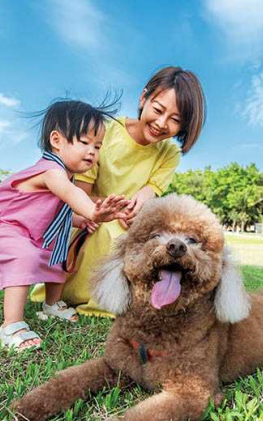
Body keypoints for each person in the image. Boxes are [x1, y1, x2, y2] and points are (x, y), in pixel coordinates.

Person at [31, 66, 206, 317]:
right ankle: (94, 298)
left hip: (129, 223)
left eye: (175, 120)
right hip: (88, 219)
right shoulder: (104, 131)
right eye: (158, 110)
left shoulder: (168, 154)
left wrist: (139, 207)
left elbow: (148, 195)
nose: (161, 123)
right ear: (143, 97)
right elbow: (78, 196)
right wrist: (115, 211)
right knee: (112, 233)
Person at [0, 99, 130, 352]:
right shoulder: (51, 171)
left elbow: (58, 210)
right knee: (23, 257)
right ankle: (10, 326)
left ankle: (51, 305)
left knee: (55, 257)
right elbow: (70, 194)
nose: (92, 151)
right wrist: (94, 211)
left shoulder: (65, 174)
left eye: (98, 146)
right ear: (57, 140)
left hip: (27, 230)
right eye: (84, 142)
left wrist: (83, 219)